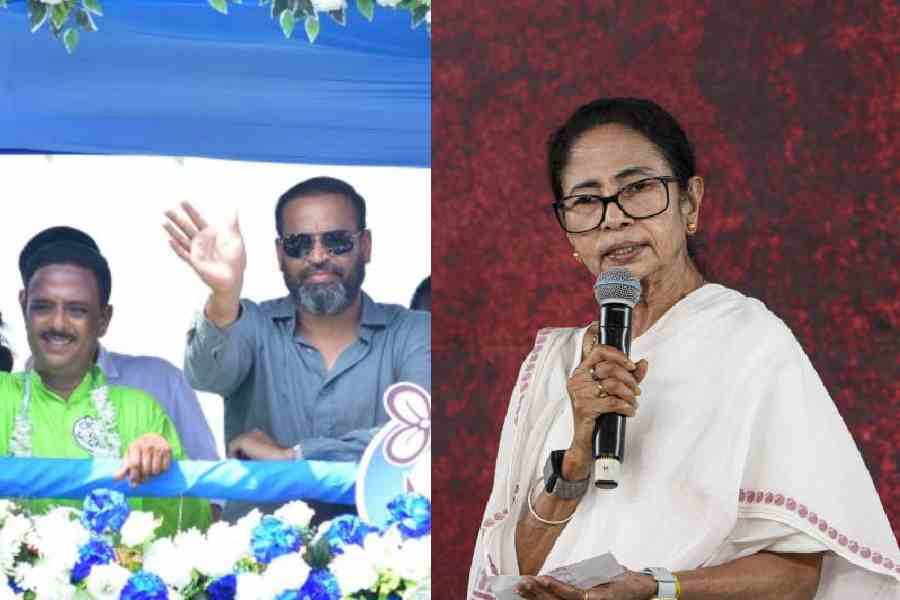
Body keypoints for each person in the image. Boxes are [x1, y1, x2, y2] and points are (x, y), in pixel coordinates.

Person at [468, 98, 899, 600]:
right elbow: (517, 562)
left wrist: (655, 589)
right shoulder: (555, 362)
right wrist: (576, 457)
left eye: (638, 189)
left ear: (690, 202)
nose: (614, 218)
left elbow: (797, 577)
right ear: (568, 230)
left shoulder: (749, 341)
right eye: (587, 200)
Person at [164, 176, 431, 521]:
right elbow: (205, 375)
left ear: (365, 245)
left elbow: (419, 435)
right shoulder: (253, 324)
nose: (318, 256)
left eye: (336, 241)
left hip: (390, 557)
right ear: (279, 253)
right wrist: (224, 296)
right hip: (259, 561)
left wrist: (295, 457)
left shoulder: (414, 331)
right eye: (298, 244)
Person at [0, 227, 211, 536]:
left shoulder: (142, 409)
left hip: (113, 581)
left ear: (103, 319)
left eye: (77, 310)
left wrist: (165, 470)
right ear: (23, 306)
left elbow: (190, 527)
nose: (58, 323)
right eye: (43, 307)